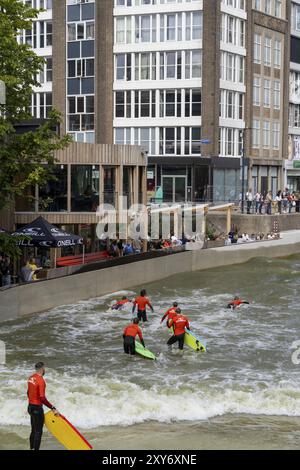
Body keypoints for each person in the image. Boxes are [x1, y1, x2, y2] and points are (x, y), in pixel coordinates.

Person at [27, 362, 59, 451]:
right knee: (38, 432)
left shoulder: (31, 378)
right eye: (44, 368)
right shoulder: (41, 381)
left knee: (33, 430)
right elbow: (42, 398)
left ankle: (31, 448)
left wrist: (31, 402)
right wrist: (53, 408)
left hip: (30, 407)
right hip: (37, 408)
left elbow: (28, 392)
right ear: (42, 369)